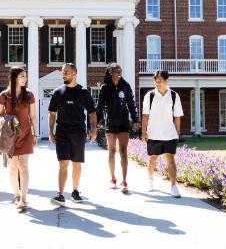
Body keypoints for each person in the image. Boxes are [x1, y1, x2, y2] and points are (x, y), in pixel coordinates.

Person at [48, 63, 97, 206]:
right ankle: (61, 195)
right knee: (63, 163)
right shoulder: (58, 92)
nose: (64, 74)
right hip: (62, 132)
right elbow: (52, 114)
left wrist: (93, 129)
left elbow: (92, 112)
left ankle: (75, 191)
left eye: (66, 72)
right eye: (63, 72)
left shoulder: (83, 92)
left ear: (74, 73)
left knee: (76, 164)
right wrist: (51, 132)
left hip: (78, 132)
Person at [0, 67, 38, 210]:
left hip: (26, 134)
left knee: (24, 166)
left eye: (25, 76)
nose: (25, 79)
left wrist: (36, 133)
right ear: (14, 78)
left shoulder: (29, 95)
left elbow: (32, 116)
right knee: (14, 168)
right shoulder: (4, 95)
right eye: (22, 76)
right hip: (10, 136)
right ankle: (16, 195)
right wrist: (6, 120)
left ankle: (24, 198)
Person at [96, 63, 140, 193]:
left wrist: (136, 120)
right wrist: (98, 121)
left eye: (120, 71)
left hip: (123, 122)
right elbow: (99, 106)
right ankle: (113, 178)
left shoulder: (125, 86)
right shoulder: (104, 88)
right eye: (116, 71)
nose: (118, 73)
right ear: (110, 73)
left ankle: (124, 181)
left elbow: (132, 104)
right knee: (111, 151)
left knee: (123, 152)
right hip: (110, 122)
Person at [141, 70, 184, 198]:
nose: (157, 83)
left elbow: (177, 116)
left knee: (170, 159)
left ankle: (173, 186)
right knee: (152, 159)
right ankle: (150, 181)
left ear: (166, 81)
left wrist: (177, 131)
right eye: (156, 80)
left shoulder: (174, 96)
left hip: (169, 134)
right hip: (153, 134)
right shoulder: (150, 95)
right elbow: (145, 115)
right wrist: (144, 131)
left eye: (160, 80)